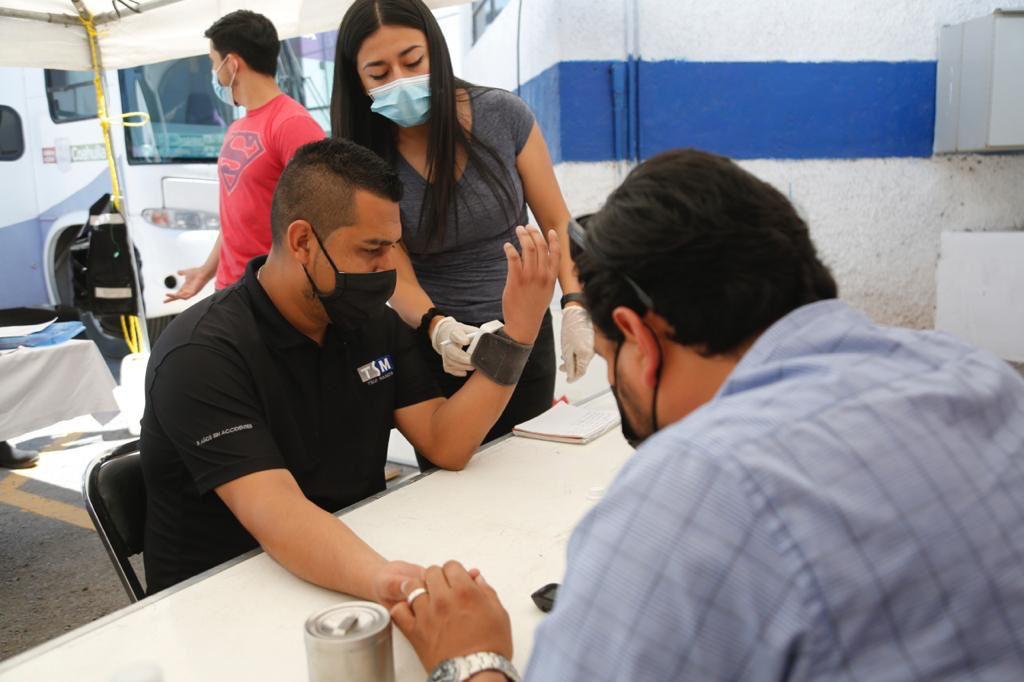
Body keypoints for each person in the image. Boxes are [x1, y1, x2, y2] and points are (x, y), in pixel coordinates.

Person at [389, 149, 1024, 681]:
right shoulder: (977, 376)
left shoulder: (700, 487)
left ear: (639, 339)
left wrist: (472, 662)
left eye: (611, 357)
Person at [140, 138, 560, 596]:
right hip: (221, 596)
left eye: (394, 248)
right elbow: (279, 514)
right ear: (302, 241)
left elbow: (446, 443)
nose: (388, 268)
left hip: (342, 561)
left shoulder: (366, 321)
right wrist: (395, 583)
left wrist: (519, 334)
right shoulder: (201, 354)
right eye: (372, 249)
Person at [330, 0, 595, 457]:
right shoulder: (360, 154)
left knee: (531, 462)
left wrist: (574, 303)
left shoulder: (503, 116)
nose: (400, 80)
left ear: (436, 49)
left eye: (413, 61)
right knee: (453, 477)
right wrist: (437, 327)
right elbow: (394, 262)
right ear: (357, 80)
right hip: (440, 351)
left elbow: (556, 220)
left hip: (524, 332)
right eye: (378, 73)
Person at [166, 10, 325, 302]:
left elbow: (323, 215)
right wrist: (206, 272)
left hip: (272, 295)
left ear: (232, 64)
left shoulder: (292, 124)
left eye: (214, 64)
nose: (214, 74)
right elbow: (236, 218)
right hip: (231, 290)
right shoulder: (238, 125)